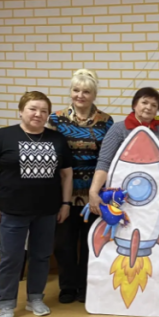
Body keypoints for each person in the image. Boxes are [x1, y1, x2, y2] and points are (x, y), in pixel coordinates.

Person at [0, 92, 73, 317]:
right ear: (21, 111)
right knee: (11, 258)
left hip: (47, 211)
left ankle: (35, 298)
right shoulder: (3, 136)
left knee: (41, 256)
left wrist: (65, 203)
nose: (38, 114)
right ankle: (6, 304)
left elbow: (66, 174)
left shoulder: (56, 139)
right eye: (33, 108)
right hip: (12, 211)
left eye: (44, 110)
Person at [48, 69, 114, 304]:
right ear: (71, 92)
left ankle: (87, 286)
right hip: (63, 192)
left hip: (93, 192)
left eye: (86, 91)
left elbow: (108, 157)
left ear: (94, 94)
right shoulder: (56, 119)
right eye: (76, 90)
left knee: (90, 242)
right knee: (63, 242)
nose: (80, 95)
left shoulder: (106, 121)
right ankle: (67, 286)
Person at [90, 87, 159, 214]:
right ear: (134, 105)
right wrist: (93, 191)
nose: (149, 107)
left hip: (156, 193)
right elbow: (105, 161)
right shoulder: (118, 129)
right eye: (144, 102)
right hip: (122, 194)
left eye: (154, 105)